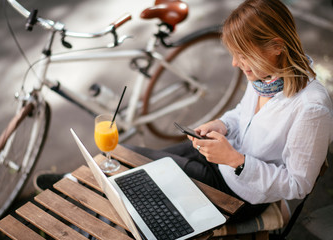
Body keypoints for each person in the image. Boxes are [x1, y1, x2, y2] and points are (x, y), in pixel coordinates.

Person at [124, 0, 333, 222]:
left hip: (237, 194)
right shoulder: (266, 76)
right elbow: (244, 113)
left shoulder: (312, 109)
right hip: (221, 159)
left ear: (277, 47)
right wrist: (223, 125)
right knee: (129, 159)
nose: (235, 63)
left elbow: (298, 185)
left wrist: (237, 160)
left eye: (242, 55)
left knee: (136, 170)